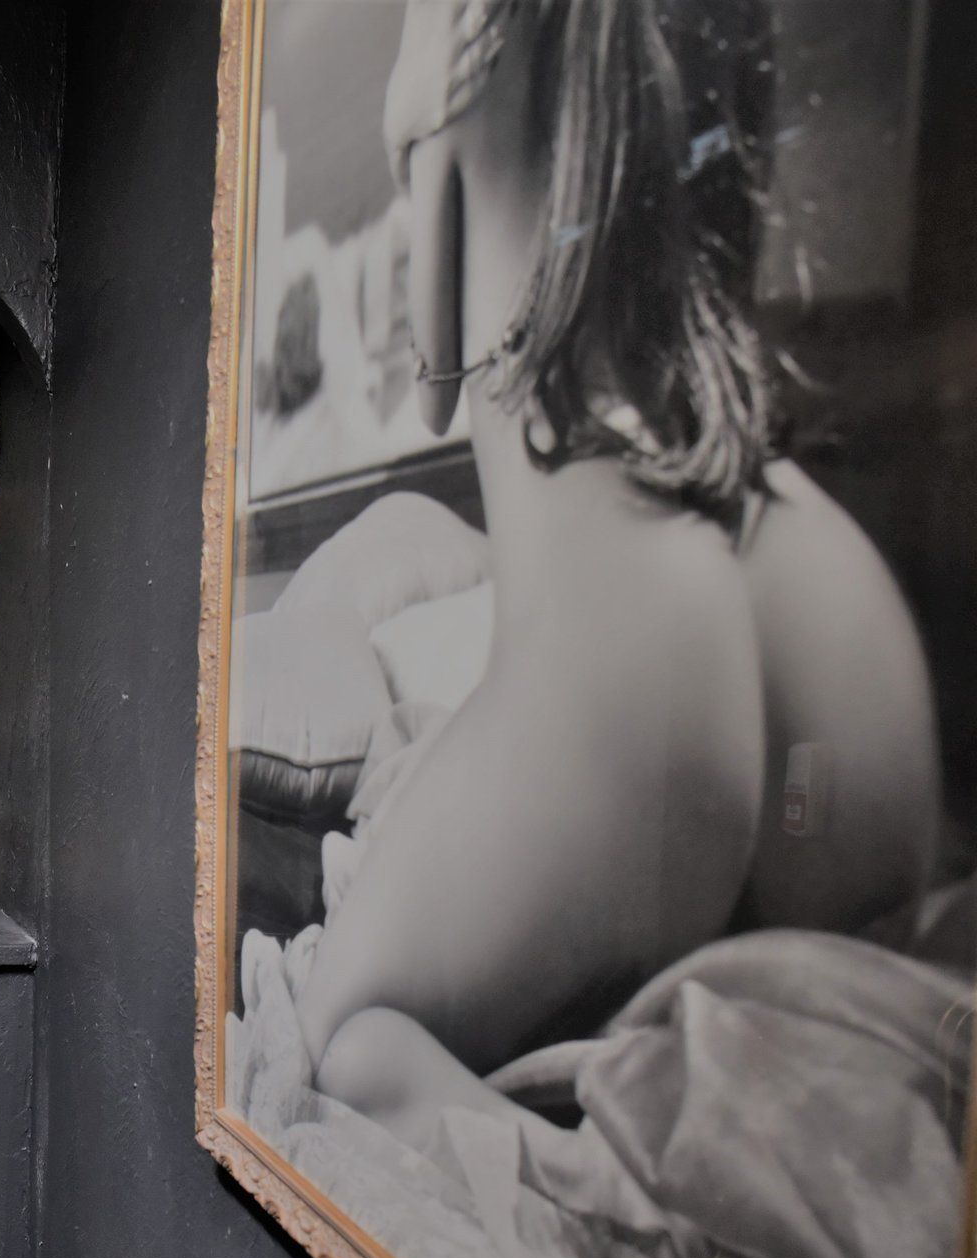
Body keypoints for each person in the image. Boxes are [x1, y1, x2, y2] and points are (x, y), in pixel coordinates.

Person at [291, 0, 943, 1110]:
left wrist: (414, 137)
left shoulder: (456, 32)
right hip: (825, 611)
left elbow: (435, 387)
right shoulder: (714, 22)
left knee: (337, 1047)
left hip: (629, 668)